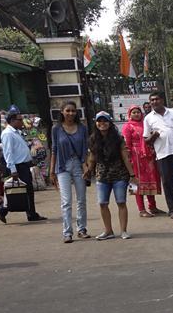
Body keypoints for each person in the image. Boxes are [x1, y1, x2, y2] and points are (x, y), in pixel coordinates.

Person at [85, 111, 135, 240]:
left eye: (105, 121)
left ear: (110, 123)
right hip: (102, 175)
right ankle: (108, 231)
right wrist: (88, 171)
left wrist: (132, 174)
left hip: (119, 174)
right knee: (102, 203)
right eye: (99, 121)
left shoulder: (118, 138)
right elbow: (92, 157)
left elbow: (125, 157)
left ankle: (123, 231)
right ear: (96, 123)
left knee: (121, 202)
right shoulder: (93, 139)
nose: (102, 123)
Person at [48, 101, 90, 242]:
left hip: (78, 165)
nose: (70, 113)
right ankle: (67, 232)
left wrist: (86, 166)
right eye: (68, 110)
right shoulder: (56, 129)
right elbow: (54, 149)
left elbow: (85, 149)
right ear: (62, 112)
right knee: (66, 201)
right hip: (62, 166)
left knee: (81, 200)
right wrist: (51, 171)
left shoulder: (82, 128)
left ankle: (82, 229)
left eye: (73, 111)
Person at [0, 109, 46, 224]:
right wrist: (13, 170)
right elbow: (8, 153)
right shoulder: (8, 133)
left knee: (27, 190)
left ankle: (31, 213)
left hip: (24, 165)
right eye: (20, 120)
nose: (22, 122)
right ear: (13, 120)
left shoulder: (16, 132)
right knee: (18, 191)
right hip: (18, 167)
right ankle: (3, 210)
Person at [143, 90, 173, 217]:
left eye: (157, 99)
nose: (154, 102)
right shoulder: (148, 118)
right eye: (152, 100)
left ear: (162, 100)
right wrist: (154, 135)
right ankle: (172, 209)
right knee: (167, 182)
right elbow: (146, 140)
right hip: (163, 154)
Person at [121, 105, 162, 217]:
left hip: (148, 157)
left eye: (138, 112)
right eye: (133, 112)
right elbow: (127, 144)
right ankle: (141, 210)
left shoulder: (145, 123)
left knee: (150, 181)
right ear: (130, 114)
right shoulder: (127, 126)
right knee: (137, 183)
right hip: (135, 157)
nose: (136, 114)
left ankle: (152, 207)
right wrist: (129, 158)